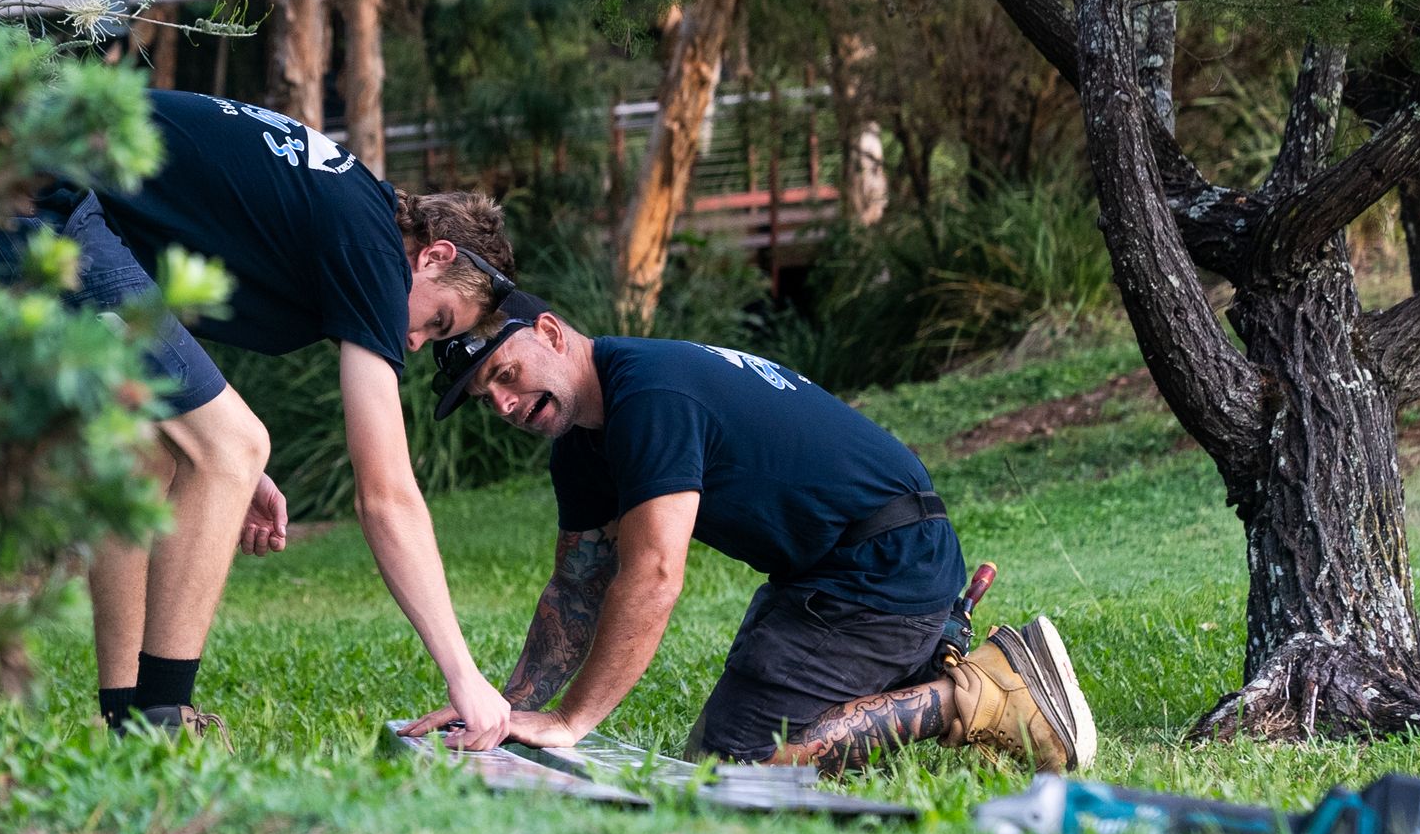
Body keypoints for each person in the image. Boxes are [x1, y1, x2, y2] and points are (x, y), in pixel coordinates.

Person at [0, 89, 518, 745]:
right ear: (434, 255)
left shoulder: (345, 207)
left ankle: (130, 719)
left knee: (154, 454)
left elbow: (168, 279)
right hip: (37, 201)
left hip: (36, 190)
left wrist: (209, 448)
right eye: (436, 319)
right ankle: (164, 719)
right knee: (236, 444)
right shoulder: (375, 246)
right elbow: (385, 494)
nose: (416, 341)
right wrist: (463, 673)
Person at [404, 291, 1096, 774]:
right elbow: (579, 588)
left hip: (886, 566)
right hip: (826, 571)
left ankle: (977, 695)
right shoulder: (585, 441)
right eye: (484, 398)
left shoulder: (649, 396)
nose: (501, 401)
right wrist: (503, 709)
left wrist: (570, 720)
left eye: (505, 374)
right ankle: (920, 668)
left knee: (736, 769)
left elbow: (652, 576)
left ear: (551, 334)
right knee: (710, 752)